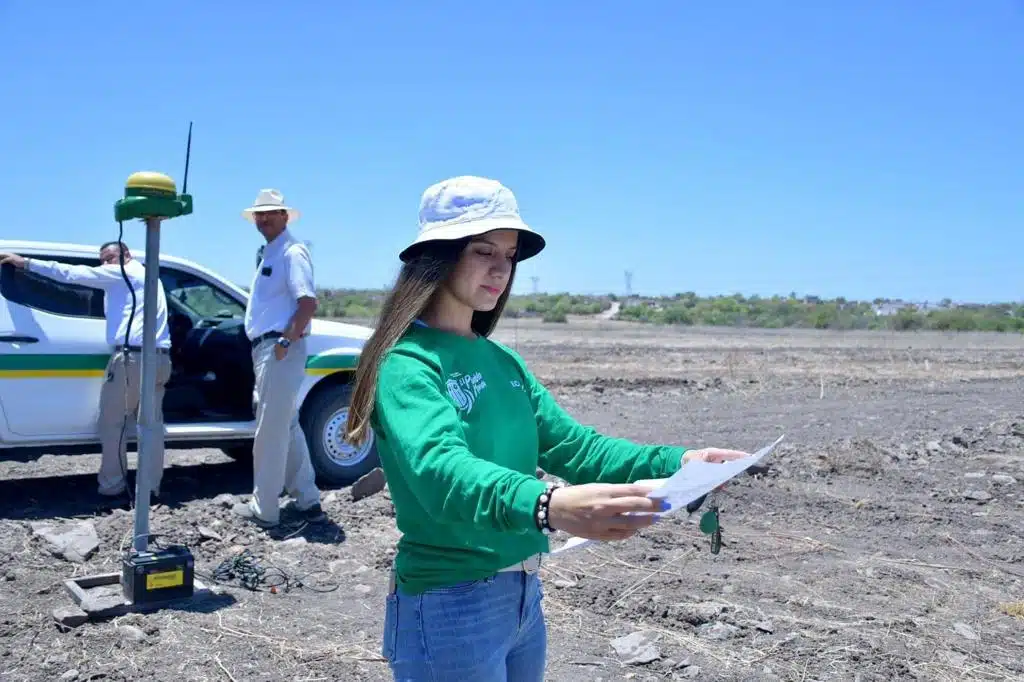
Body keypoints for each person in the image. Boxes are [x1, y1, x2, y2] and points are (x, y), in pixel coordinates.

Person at [343, 175, 752, 681]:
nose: (500, 269)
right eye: (483, 251)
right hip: (448, 605)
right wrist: (549, 506)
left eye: (509, 256)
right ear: (439, 255)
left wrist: (680, 462)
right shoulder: (408, 364)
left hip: (522, 599)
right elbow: (441, 474)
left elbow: (578, 449)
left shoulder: (503, 362)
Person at [0, 242, 172, 500]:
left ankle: (113, 487)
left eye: (109, 258)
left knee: (113, 424)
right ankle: (150, 489)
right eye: (101, 261)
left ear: (127, 255)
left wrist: (26, 263)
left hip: (132, 360)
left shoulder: (123, 273)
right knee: (151, 427)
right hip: (159, 359)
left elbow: (71, 274)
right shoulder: (150, 278)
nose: (105, 265)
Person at [232, 188, 325, 528]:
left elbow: (307, 303)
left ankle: (265, 509)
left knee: (270, 431)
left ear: (285, 215)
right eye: (260, 213)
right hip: (269, 348)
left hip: (279, 348)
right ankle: (307, 498)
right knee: (285, 424)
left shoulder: (292, 251)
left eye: (271, 212)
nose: (264, 218)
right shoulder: (270, 253)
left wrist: (286, 340)